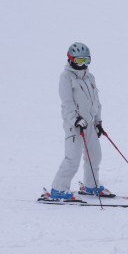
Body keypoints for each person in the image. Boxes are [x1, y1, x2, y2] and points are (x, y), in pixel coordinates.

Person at [47, 42, 112, 200]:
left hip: (90, 124)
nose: (83, 65)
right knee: (72, 158)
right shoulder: (66, 77)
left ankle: (91, 186)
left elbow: (96, 102)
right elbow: (67, 103)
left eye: (86, 61)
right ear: (70, 60)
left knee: (95, 156)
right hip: (74, 126)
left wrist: (98, 122)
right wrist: (75, 119)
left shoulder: (90, 77)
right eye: (79, 61)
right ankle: (58, 189)